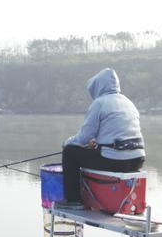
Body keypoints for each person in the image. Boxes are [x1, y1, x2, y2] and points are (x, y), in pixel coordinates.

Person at [56, 68, 145, 209]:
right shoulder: (128, 103)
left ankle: (73, 200)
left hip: (115, 161)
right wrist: (98, 143)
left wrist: (67, 142)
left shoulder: (100, 103)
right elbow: (119, 133)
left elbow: (83, 138)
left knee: (70, 152)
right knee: (88, 152)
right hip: (137, 161)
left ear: (98, 86)